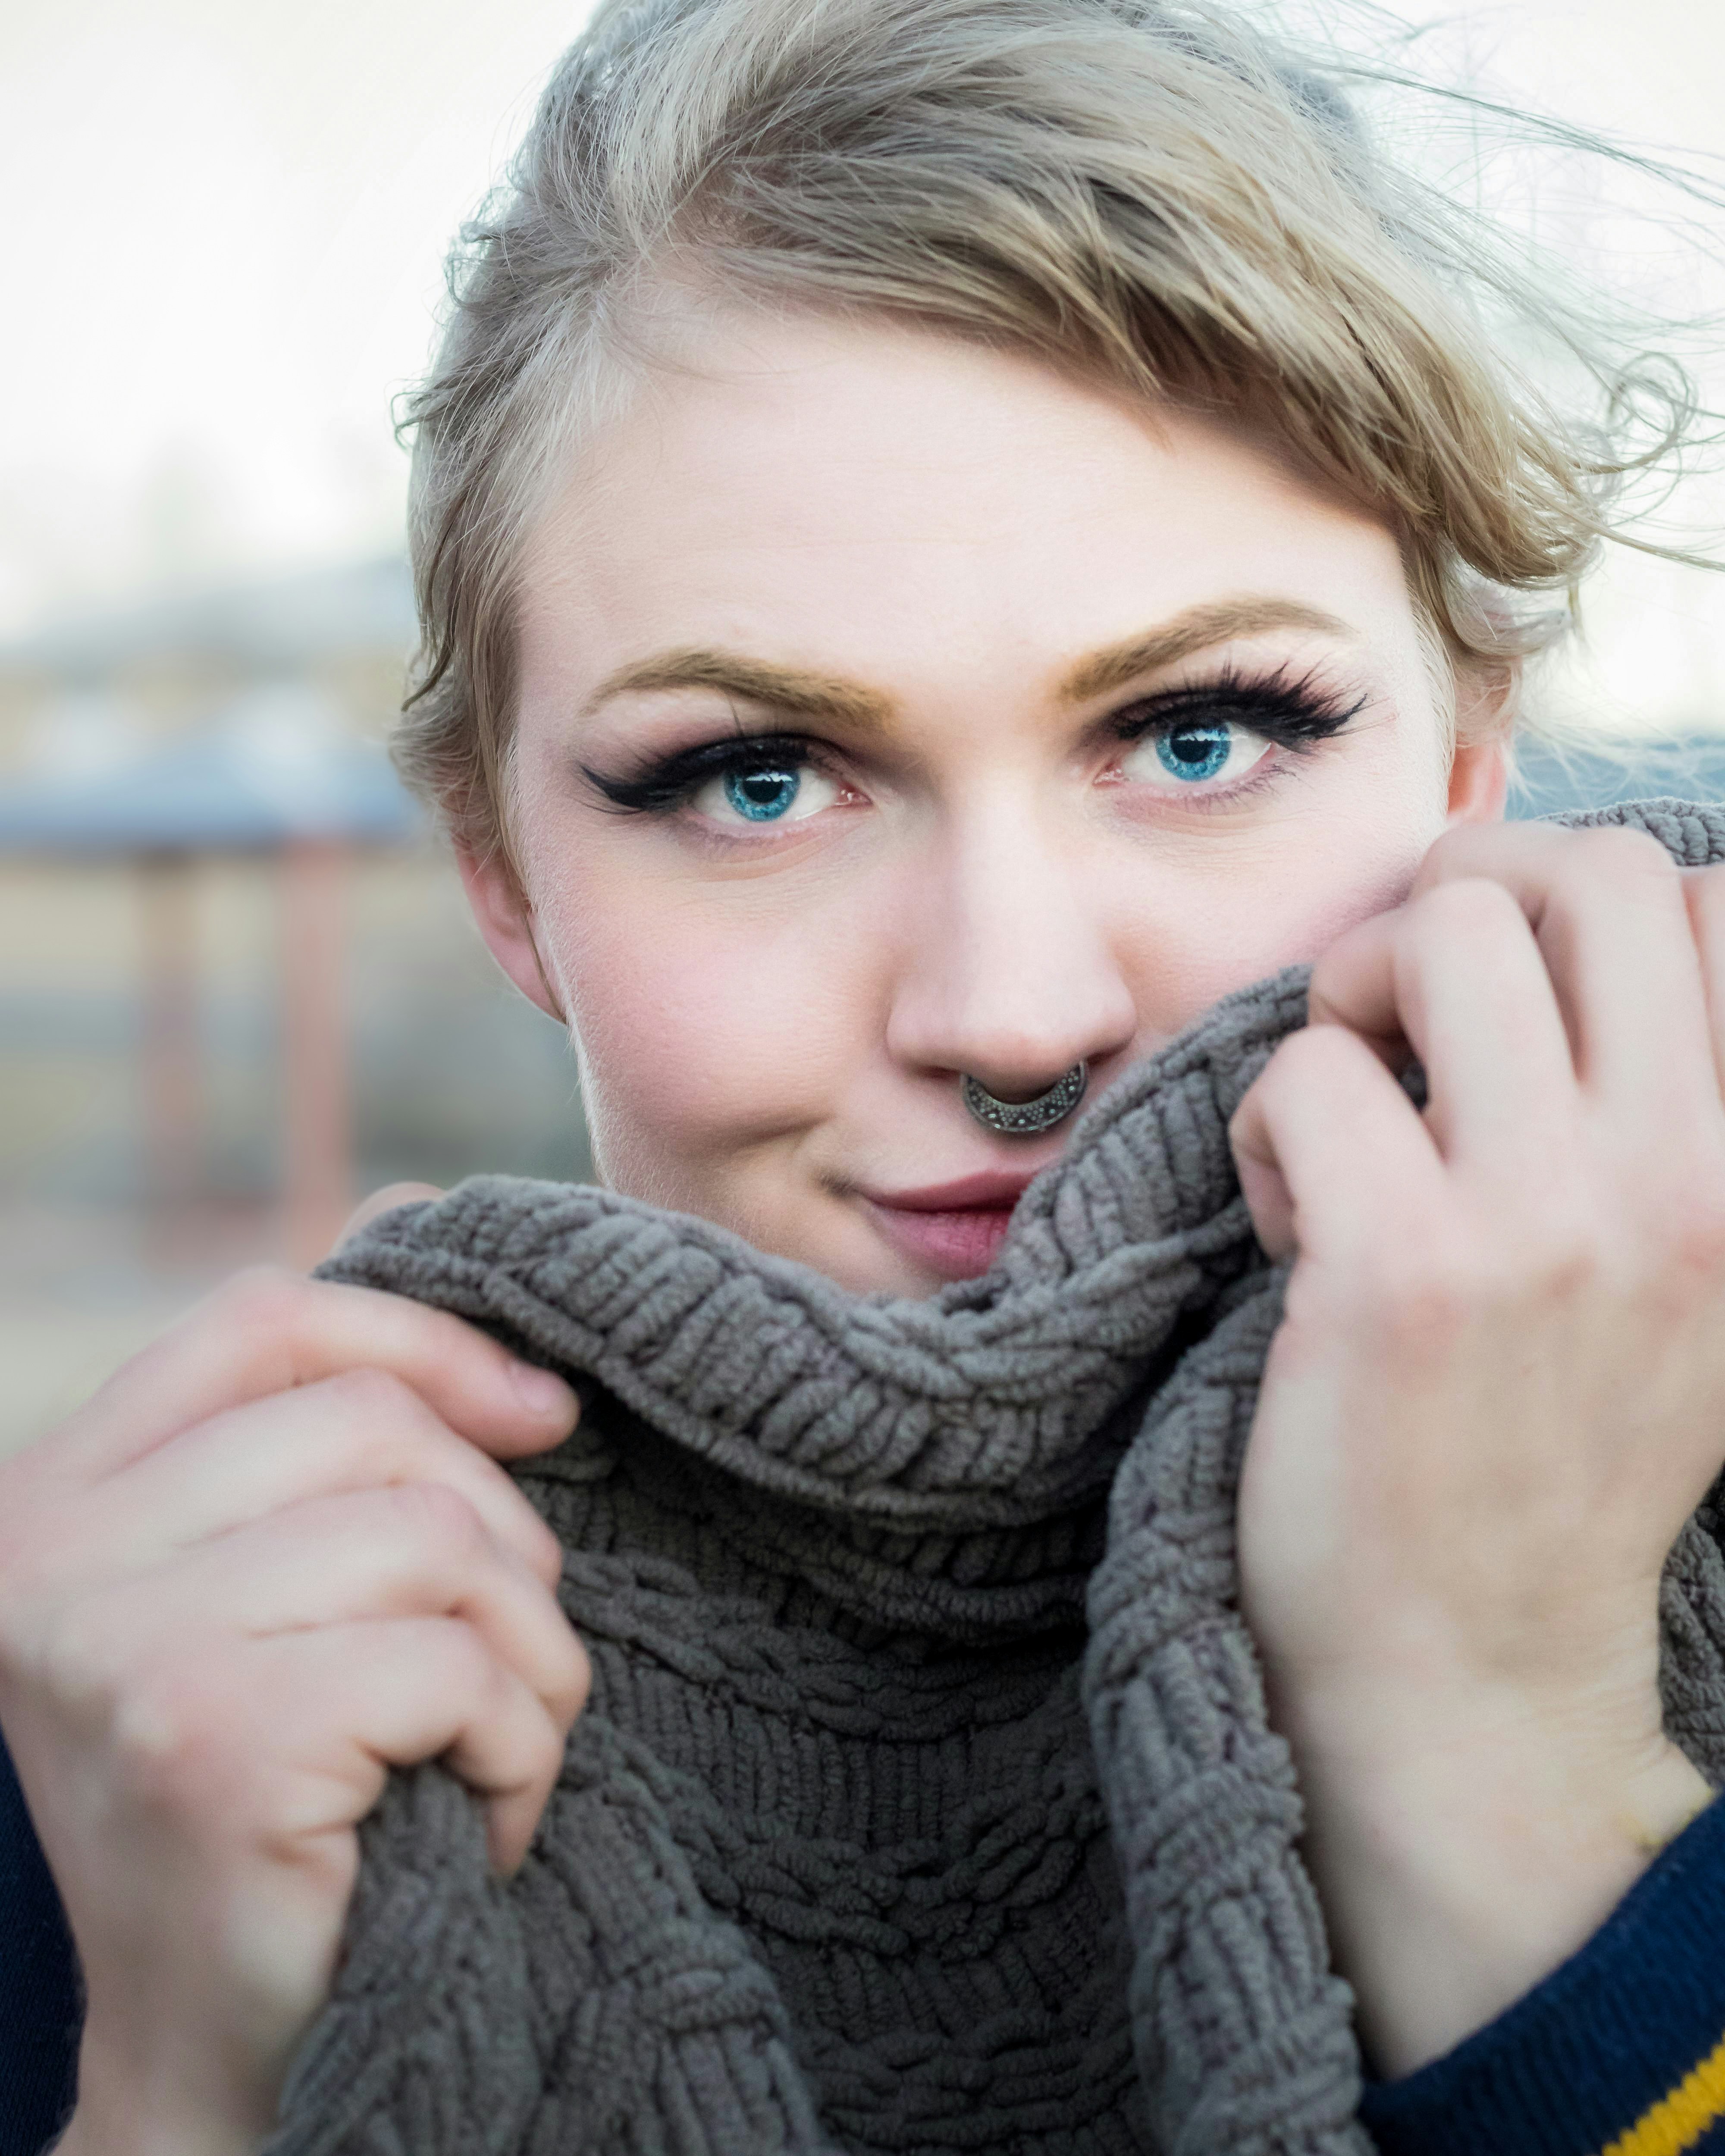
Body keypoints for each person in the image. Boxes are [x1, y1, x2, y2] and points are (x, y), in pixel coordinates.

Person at [6, 0, 1725, 2149]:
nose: (1013, 1017)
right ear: (505, 880)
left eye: (1201, 736)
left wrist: (1502, 1735)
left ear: (1468, 771)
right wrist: (175, 2086)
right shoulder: (138, 1722)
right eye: (758, 779)